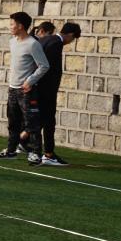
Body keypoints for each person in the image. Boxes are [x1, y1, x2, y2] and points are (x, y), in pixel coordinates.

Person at [0, 11, 49, 163]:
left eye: (12, 24)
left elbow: (44, 66)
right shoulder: (12, 42)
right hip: (12, 89)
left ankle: (36, 153)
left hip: (27, 91)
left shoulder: (33, 44)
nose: (10, 26)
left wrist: (30, 81)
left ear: (21, 26)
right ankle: (11, 151)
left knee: (32, 124)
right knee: (13, 123)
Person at [31, 21, 81, 166]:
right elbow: (46, 67)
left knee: (39, 120)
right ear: (70, 35)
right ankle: (48, 154)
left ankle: (28, 145)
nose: (71, 42)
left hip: (39, 87)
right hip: (46, 90)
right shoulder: (56, 44)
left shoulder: (46, 39)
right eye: (73, 39)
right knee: (48, 122)